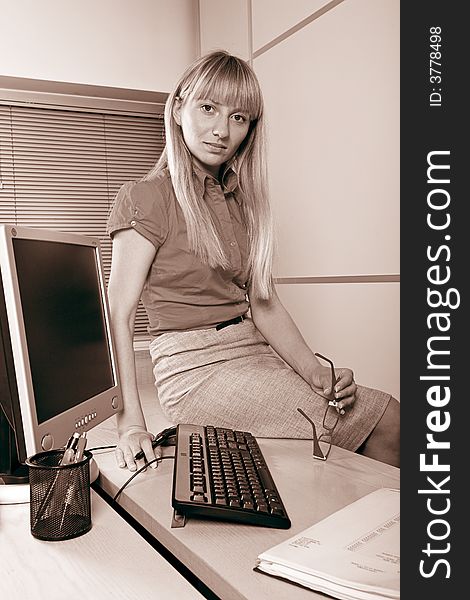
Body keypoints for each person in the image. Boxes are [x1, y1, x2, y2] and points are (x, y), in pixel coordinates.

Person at [106, 50, 400, 473]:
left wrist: (316, 372)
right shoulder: (145, 197)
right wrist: (130, 423)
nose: (221, 130)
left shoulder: (242, 202)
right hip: (194, 370)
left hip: (251, 351)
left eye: (239, 117)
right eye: (208, 108)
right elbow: (118, 312)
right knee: (388, 419)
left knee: (356, 444)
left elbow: (263, 304)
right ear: (178, 107)